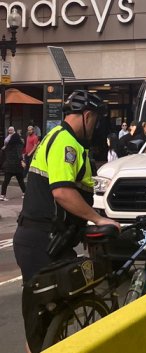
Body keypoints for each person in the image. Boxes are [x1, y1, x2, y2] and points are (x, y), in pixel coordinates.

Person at [12, 90, 120, 353]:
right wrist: (96, 219)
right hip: (41, 241)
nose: (95, 126)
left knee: (51, 319)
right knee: (45, 323)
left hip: (49, 239)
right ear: (87, 116)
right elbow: (61, 191)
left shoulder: (66, 141)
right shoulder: (65, 143)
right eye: (95, 120)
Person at [0, 128, 26, 200]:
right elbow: (19, 154)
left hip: (8, 166)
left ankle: (2, 195)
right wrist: (22, 161)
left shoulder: (8, 146)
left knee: (6, 181)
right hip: (17, 166)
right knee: (20, 181)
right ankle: (25, 193)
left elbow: (3, 152)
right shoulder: (18, 145)